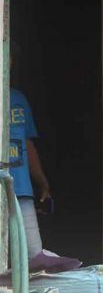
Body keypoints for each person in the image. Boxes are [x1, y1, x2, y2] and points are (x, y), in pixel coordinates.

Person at [9, 87, 51, 259]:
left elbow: (28, 145)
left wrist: (42, 183)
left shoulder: (18, 98)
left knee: (34, 257)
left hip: (20, 190)